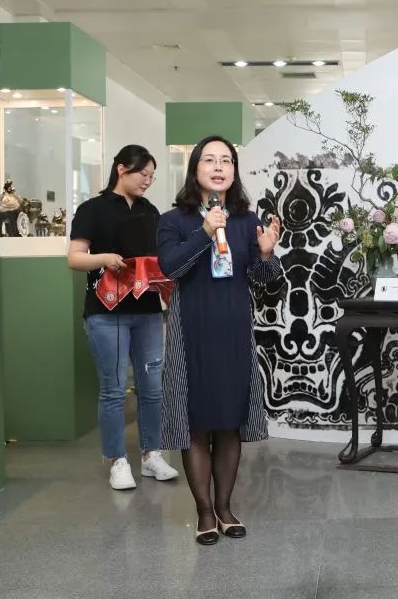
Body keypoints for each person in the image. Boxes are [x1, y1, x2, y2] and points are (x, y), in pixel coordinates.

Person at [156, 135, 282, 545]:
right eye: (209, 160)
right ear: (195, 169)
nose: (218, 167)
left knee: (229, 423)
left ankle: (225, 508)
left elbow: (263, 281)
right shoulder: (173, 220)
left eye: (226, 160)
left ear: (234, 171)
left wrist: (266, 254)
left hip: (233, 332)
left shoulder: (246, 219)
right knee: (195, 423)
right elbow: (171, 267)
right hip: (190, 333)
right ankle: (205, 513)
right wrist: (205, 231)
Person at [67, 144, 179, 489]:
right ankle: (117, 460)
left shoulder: (151, 211)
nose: (147, 181)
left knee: (152, 387)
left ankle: (151, 455)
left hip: (147, 311)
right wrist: (104, 258)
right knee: (114, 389)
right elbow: (74, 258)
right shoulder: (92, 209)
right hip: (106, 312)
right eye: (143, 173)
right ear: (121, 169)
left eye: (151, 176)